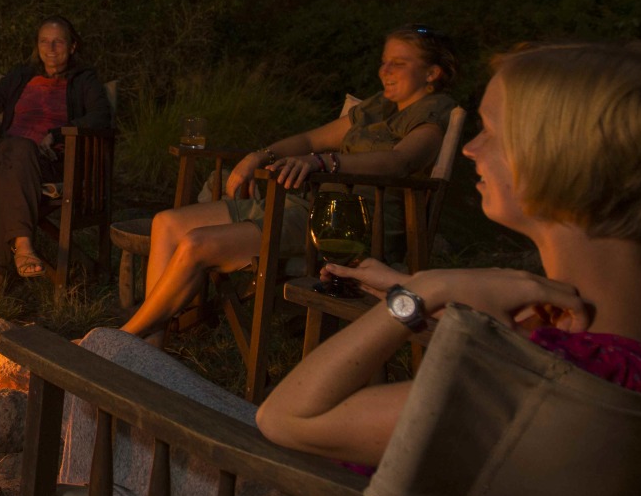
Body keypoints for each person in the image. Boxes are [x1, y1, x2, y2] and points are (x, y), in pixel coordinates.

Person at [48, 40, 641, 496]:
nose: (472, 151)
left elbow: (287, 420)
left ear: (560, 161)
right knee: (118, 359)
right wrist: (411, 288)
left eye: (493, 133)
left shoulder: (542, 385)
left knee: (102, 355)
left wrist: (420, 295)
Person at [118, 25, 460, 339]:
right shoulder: (379, 107)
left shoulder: (432, 113)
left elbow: (400, 161)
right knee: (166, 222)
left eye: (398, 63)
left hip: (350, 225)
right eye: (384, 61)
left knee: (195, 244)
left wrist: (326, 162)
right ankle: (150, 346)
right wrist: (258, 156)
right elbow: (311, 141)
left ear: (431, 73)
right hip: (310, 204)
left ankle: (126, 338)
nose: (384, 70)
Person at [0, 16, 112, 287]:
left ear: (72, 46)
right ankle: (23, 245)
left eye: (58, 41)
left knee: (12, 169)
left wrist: (56, 133)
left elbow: (101, 117)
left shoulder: (84, 80)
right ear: (37, 45)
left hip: (51, 162)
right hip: (8, 154)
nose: (51, 48)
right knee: (16, 150)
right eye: (44, 41)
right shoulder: (21, 76)